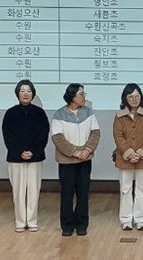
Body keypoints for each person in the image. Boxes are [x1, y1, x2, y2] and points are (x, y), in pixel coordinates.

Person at [50, 83, 100, 236]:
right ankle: (67, 226)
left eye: (84, 94)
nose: (84, 97)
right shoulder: (59, 114)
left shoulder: (88, 112)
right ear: (72, 96)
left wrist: (87, 150)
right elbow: (57, 138)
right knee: (67, 194)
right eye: (81, 94)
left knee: (83, 193)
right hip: (67, 162)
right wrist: (74, 152)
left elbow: (95, 133)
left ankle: (82, 224)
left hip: (85, 160)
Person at [2, 79, 50, 232]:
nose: (25, 94)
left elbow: (43, 135)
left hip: (35, 157)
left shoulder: (39, 113)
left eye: (29, 91)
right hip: (15, 158)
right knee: (18, 191)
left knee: (34, 190)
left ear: (33, 94)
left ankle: (32, 220)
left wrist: (33, 151)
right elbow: (8, 136)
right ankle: (20, 221)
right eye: (22, 91)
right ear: (17, 94)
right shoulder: (10, 113)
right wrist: (19, 152)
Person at [112, 83, 143, 231]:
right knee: (125, 189)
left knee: (142, 190)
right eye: (131, 96)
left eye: (137, 96)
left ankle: (140, 219)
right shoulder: (119, 116)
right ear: (125, 98)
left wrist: (141, 152)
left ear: (141, 97)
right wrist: (130, 153)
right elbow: (118, 137)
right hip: (125, 159)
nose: (134, 99)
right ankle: (126, 220)